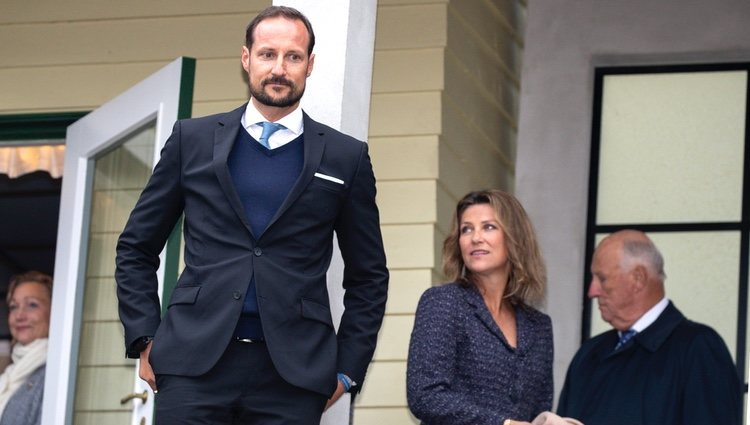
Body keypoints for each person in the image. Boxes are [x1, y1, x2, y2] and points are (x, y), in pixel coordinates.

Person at [115, 5, 389, 424]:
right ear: (246, 59)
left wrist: (348, 369)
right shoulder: (193, 140)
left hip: (292, 377)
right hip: (192, 365)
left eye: (293, 57)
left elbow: (368, 275)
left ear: (310, 65)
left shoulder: (345, 158)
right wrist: (145, 337)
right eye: (267, 54)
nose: (279, 68)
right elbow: (136, 247)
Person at [558, 229, 742, 425]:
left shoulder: (698, 348)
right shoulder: (589, 353)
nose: (592, 291)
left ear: (638, 278)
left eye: (602, 279)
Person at [407, 190, 553, 425]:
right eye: (466, 229)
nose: (475, 238)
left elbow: (539, 410)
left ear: (515, 237)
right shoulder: (444, 302)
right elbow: (425, 395)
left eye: (488, 227)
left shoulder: (538, 325)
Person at [0, 271, 52, 425]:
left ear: (55, 311)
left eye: (32, 305)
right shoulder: (9, 376)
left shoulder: (55, 374)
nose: (19, 316)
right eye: (14, 307)